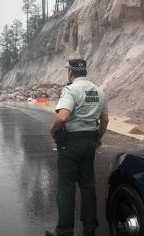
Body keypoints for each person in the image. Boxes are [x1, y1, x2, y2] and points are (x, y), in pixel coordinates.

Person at [46, 59, 109, 236]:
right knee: (88, 186)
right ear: (85, 72)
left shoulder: (70, 90)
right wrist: (98, 139)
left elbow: (62, 117)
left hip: (70, 143)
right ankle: (90, 228)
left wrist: (52, 131)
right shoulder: (99, 92)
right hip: (89, 142)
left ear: (71, 73)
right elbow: (104, 121)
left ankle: (65, 231)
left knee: (66, 188)